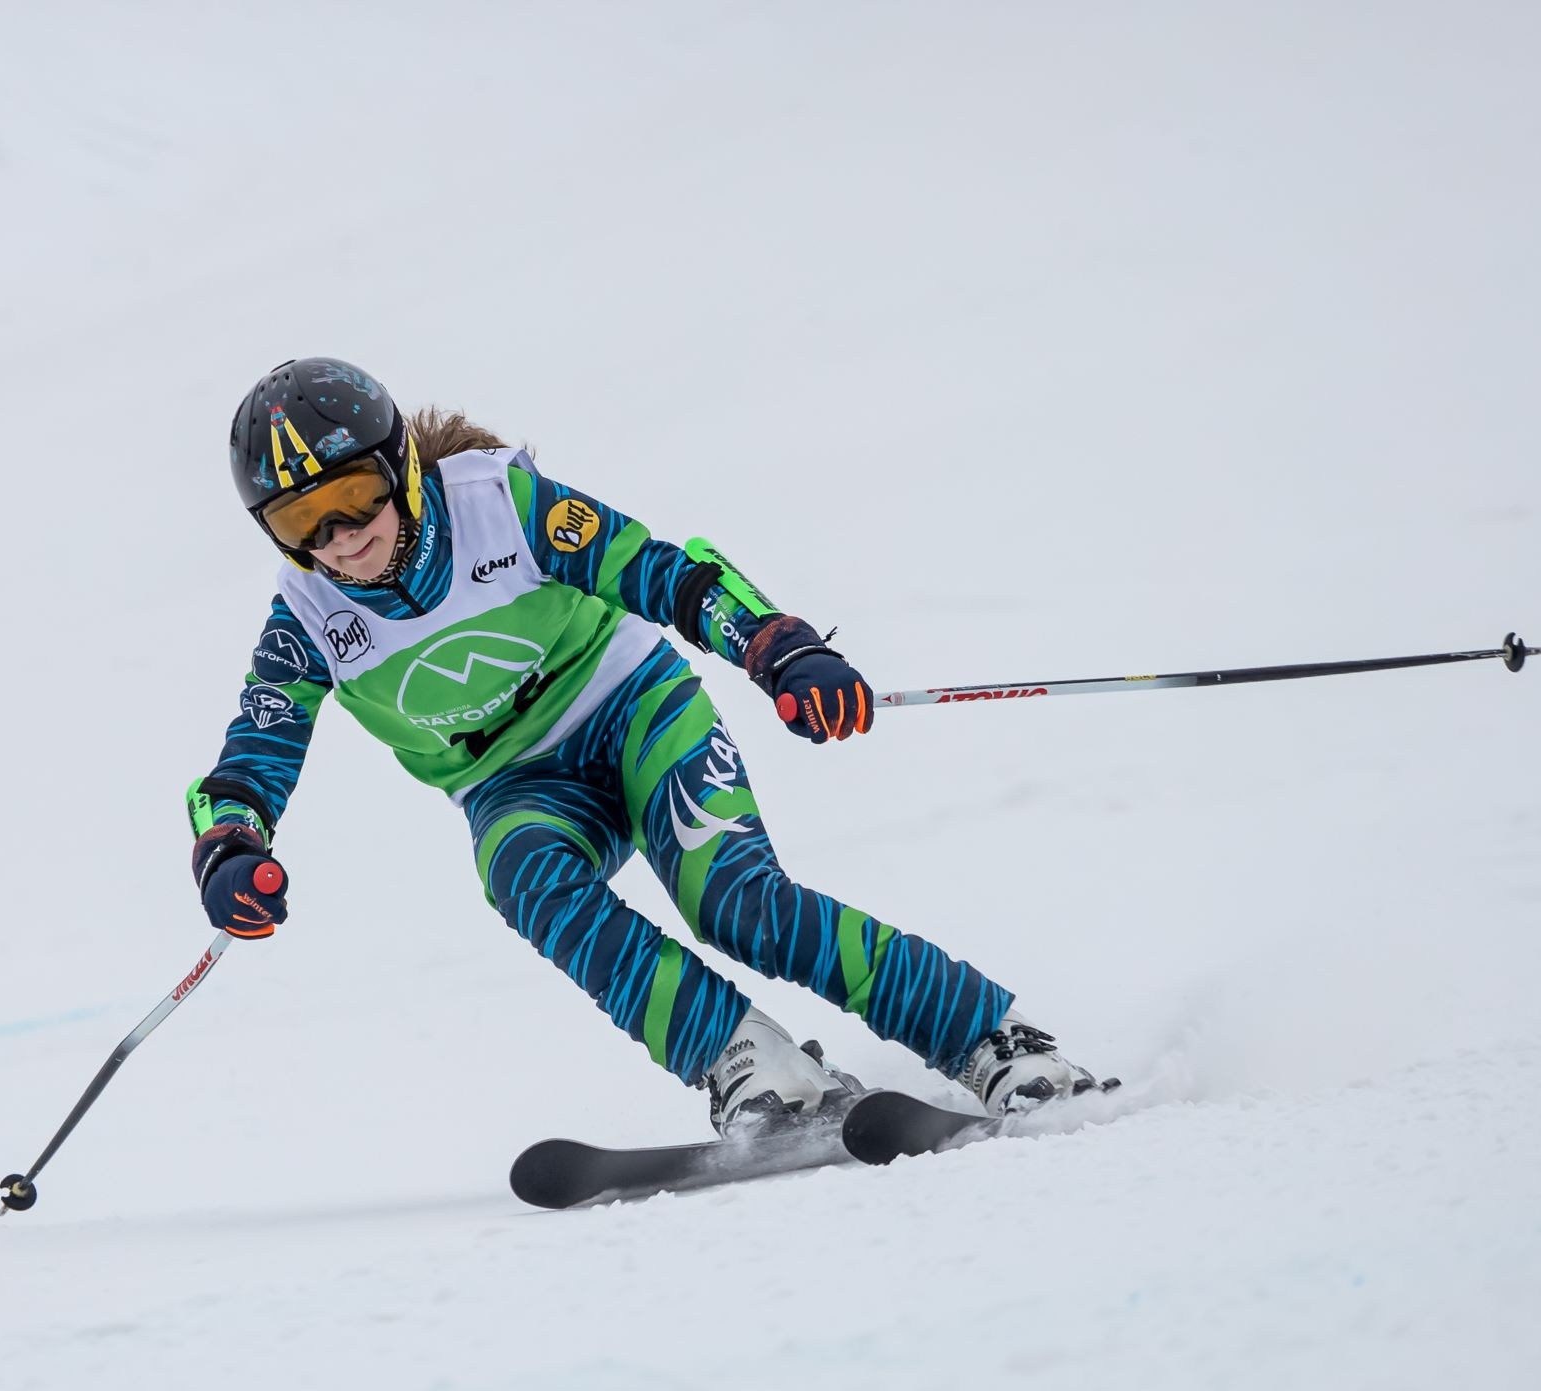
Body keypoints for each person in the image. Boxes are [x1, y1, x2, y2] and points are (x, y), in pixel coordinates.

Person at [187, 357, 1108, 1142]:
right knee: (522, 873)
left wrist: (779, 646)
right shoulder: (308, 614)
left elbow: (663, 571)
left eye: (353, 497)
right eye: (302, 524)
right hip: (516, 782)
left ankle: (993, 1039)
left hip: (632, 710)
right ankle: (747, 1061)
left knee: (737, 903)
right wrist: (231, 845)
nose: (342, 540)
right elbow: (254, 748)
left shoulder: (499, 505)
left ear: (402, 470)